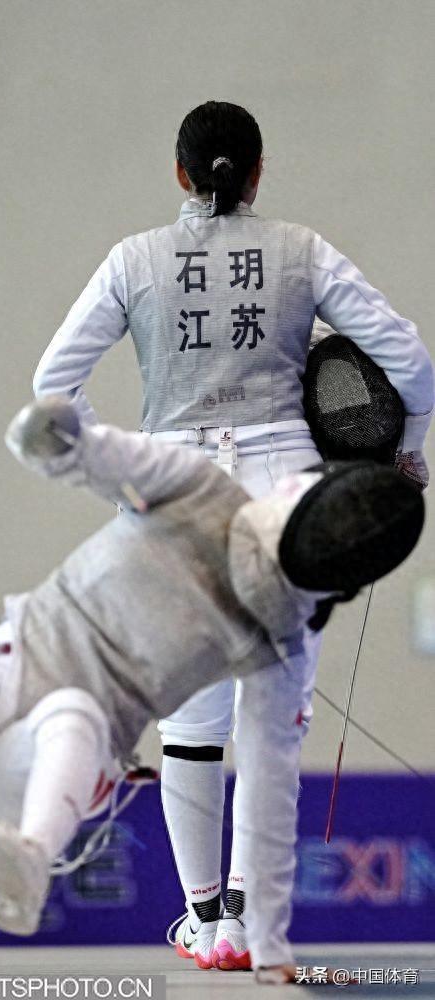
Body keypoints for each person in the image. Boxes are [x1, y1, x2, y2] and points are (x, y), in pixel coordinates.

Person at [0, 398, 425, 986]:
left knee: (73, 709)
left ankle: (29, 861)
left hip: (46, 770)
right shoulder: (195, 483)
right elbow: (89, 454)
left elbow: (268, 793)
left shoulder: (275, 638)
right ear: (287, 492)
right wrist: (52, 436)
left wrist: (267, 940)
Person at [33, 100, 433, 970]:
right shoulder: (301, 249)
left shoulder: (133, 258)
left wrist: (120, 467)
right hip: (283, 494)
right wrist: (405, 452)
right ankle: (248, 921)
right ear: (256, 173)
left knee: (189, 719)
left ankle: (204, 920)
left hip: (173, 491)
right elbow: (411, 363)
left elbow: (50, 385)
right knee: (272, 712)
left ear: (180, 173)